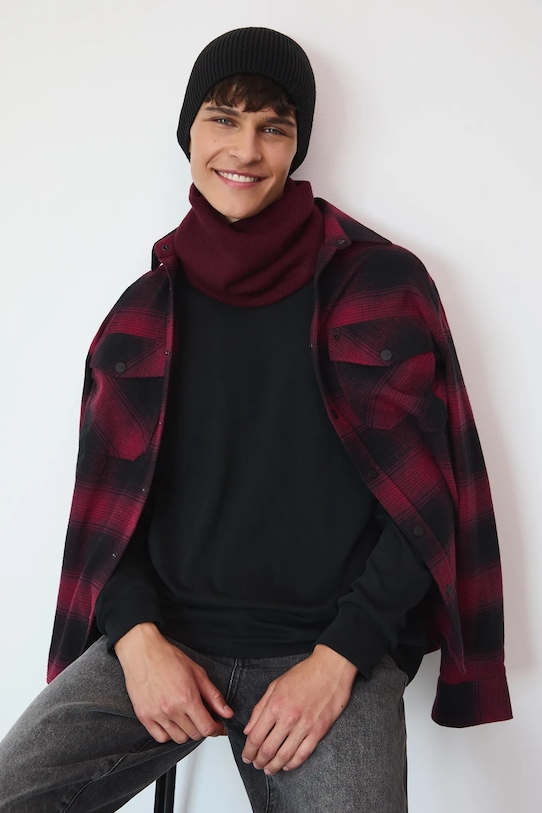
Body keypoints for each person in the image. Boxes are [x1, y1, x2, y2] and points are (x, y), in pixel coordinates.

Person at [0, 26, 512, 813]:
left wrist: (340, 658)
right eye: (223, 118)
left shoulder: (382, 282)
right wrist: (137, 641)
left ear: (297, 143)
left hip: (328, 652)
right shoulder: (141, 314)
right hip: (167, 641)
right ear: (189, 133)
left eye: (274, 126)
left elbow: (427, 503)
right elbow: (110, 518)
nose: (245, 148)